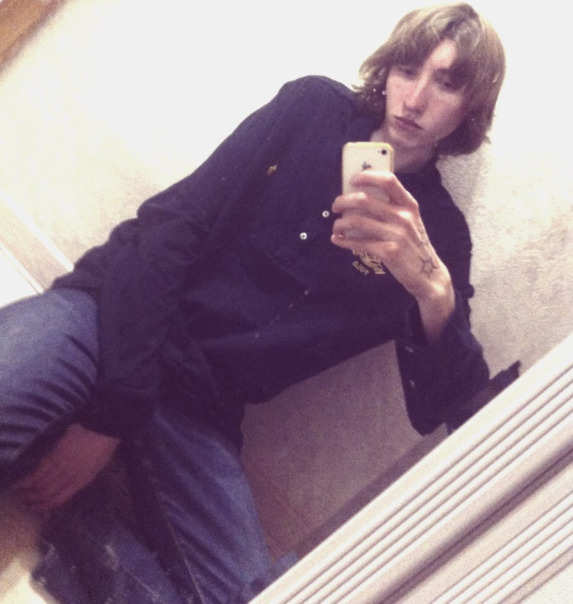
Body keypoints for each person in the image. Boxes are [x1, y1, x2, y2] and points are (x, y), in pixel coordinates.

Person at [0, 3, 506, 602]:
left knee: (258, 598)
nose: (414, 99)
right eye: (407, 69)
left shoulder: (438, 235)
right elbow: (171, 229)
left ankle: (82, 525)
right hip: (113, 317)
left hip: (198, 404)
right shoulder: (312, 108)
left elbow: (446, 408)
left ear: (471, 107)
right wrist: (111, 417)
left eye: (445, 84)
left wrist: (432, 288)